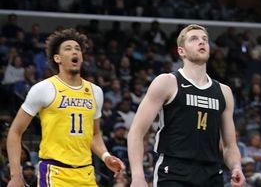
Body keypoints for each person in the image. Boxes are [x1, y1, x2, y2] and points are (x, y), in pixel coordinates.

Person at [127, 24, 245, 187]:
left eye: (205, 39)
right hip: (174, 171)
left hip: (211, 174)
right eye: (194, 39)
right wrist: (138, 176)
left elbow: (229, 145)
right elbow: (136, 132)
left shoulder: (224, 92)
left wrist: (236, 166)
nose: (201, 42)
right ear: (181, 51)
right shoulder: (167, 82)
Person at [6, 28, 126, 186]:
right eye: (68, 49)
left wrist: (105, 156)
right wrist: (15, 176)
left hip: (86, 174)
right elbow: (15, 131)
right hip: (55, 173)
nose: (74, 51)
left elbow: (95, 134)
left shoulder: (95, 92)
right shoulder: (44, 88)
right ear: (57, 58)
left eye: (77, 49)